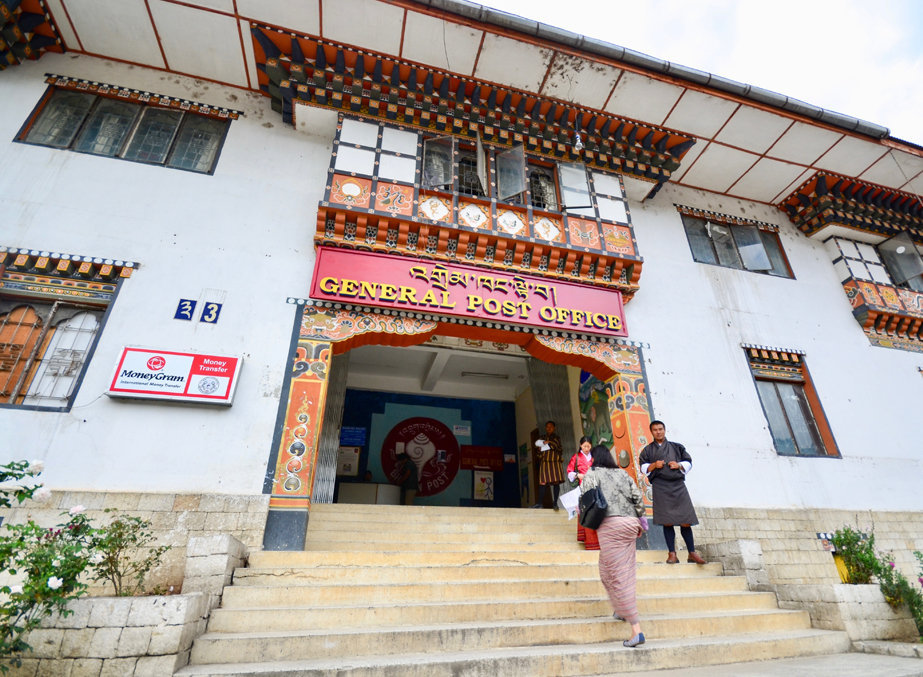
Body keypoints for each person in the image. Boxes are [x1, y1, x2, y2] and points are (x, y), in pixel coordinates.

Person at [580, 444, 646, 648]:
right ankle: (621, 608)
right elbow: (637, 496)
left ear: (595, 459)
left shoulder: (593, 472)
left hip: (610, 525)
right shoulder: (622, 473)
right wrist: (642, 521)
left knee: (617, 576)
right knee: (610, 571)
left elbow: (585, 495)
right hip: (631, 523)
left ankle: (636, 629)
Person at [638, 420, 706, 565]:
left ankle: (692, 553)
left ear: (665, 430)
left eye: (660, 429)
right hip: (660, 486)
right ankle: (672, 554)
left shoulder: (676, 447)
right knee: (667, 522)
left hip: (678, 485)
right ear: (651, 432)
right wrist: (654, 465)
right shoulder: (647, 450)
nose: (658, 432)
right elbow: (643, 467)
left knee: (685, 521)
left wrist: (679, 465)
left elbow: (688, 461)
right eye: (655, 430)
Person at [566, 436, 599, 550]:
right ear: (580, 445)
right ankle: (587, 538)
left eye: (588, 446)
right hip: (582, 487)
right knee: (585, 511)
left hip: (595, 487)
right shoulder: (576, 457)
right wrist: (577, 475)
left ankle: (595, 540)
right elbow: (569, 471)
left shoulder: (594, 456)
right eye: (584, 446)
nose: (586, 449)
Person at [531, 420, 564, 509]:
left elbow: (554, 445)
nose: (549, 428)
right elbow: (537, 446)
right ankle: (539, 503)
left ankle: (555, 504)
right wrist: (545, 444)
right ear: (545, 428)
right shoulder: (542, 437)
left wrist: (546, 443)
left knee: (556, 482)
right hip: (545, 462)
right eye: (547, 426)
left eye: (551, 426)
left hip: (555, 462)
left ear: (554, 428)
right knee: (542, 482)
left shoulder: (557, 437)